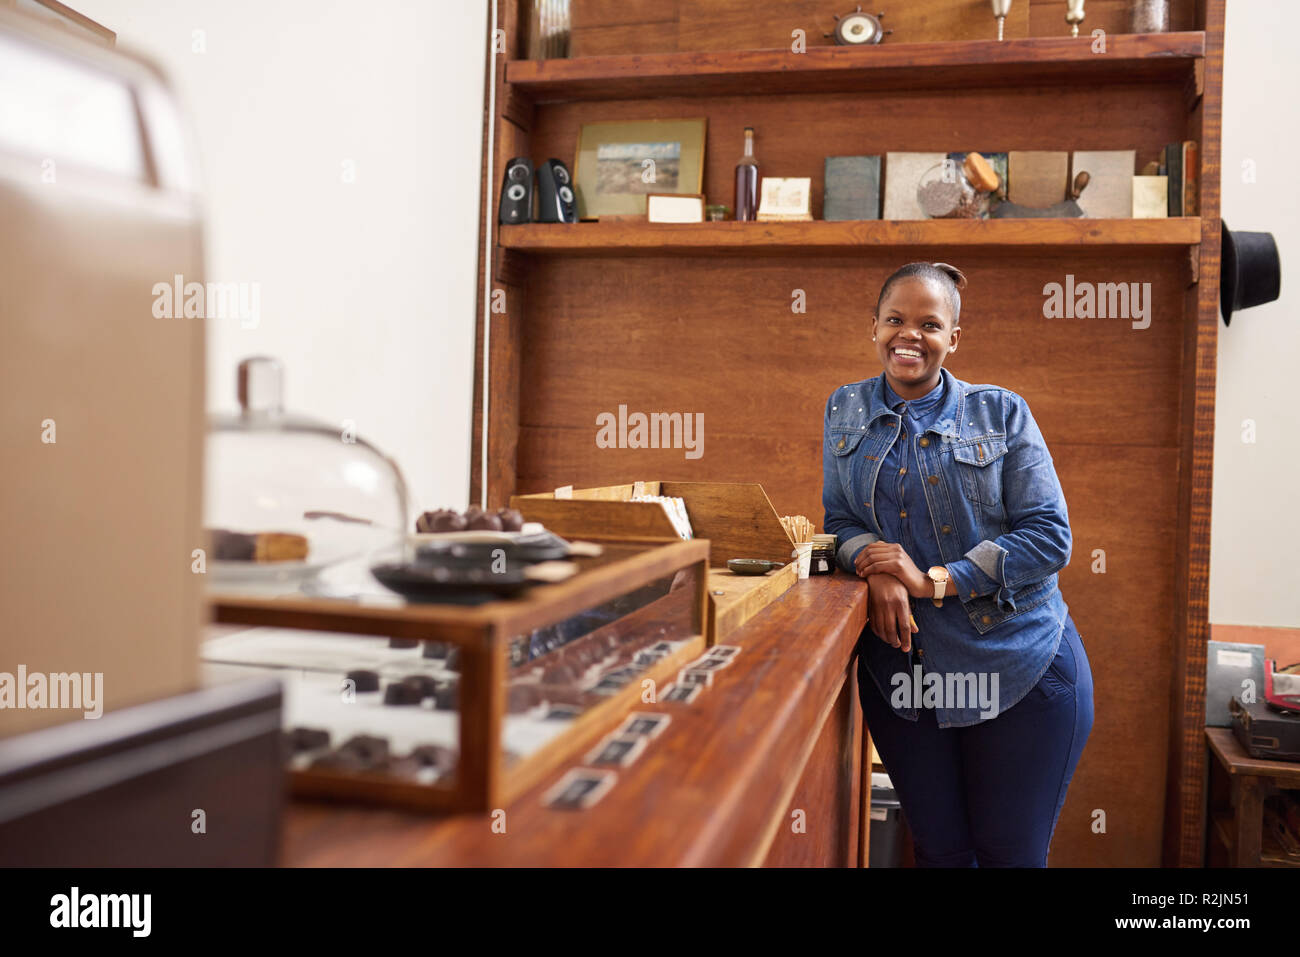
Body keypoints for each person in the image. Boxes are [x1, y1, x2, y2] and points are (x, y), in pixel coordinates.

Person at [821, 261, 1094, 867]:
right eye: (895, 320)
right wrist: (877, 565)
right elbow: (838, 520)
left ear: (953, 338)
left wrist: (935, 579)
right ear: (874, 328)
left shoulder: (1002, 413)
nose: (908, 335)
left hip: (1019, 664)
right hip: (907, 674)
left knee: (1008, 857)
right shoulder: (845, 409)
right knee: (942, 854)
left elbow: (1050, 537)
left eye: (929, 323)